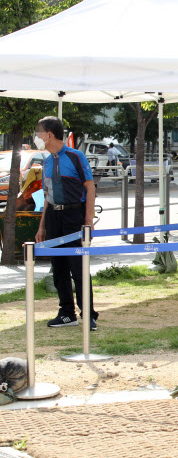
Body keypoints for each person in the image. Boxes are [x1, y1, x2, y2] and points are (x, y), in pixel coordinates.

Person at [34, 116, 98, 330]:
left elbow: (90, 188)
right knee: (58, 267)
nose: (37, 136)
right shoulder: (46, 161)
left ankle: (88, 314)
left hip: (74, 217)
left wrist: (88, 221)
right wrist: (42, 225)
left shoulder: (75, 156)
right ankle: (67, 313)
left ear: (49, 134)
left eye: (38, 132)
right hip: (53, 216)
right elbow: (47, 195)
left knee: (78, 267)